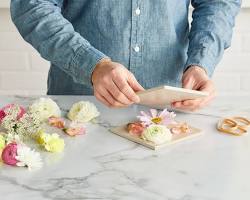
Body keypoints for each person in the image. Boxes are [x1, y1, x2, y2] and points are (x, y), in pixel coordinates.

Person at [10, 0, 241, 111]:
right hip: (81, 106)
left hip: (172, 106)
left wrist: (201, 63)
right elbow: (32, 7)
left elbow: (218, 3)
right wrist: (92, 65)